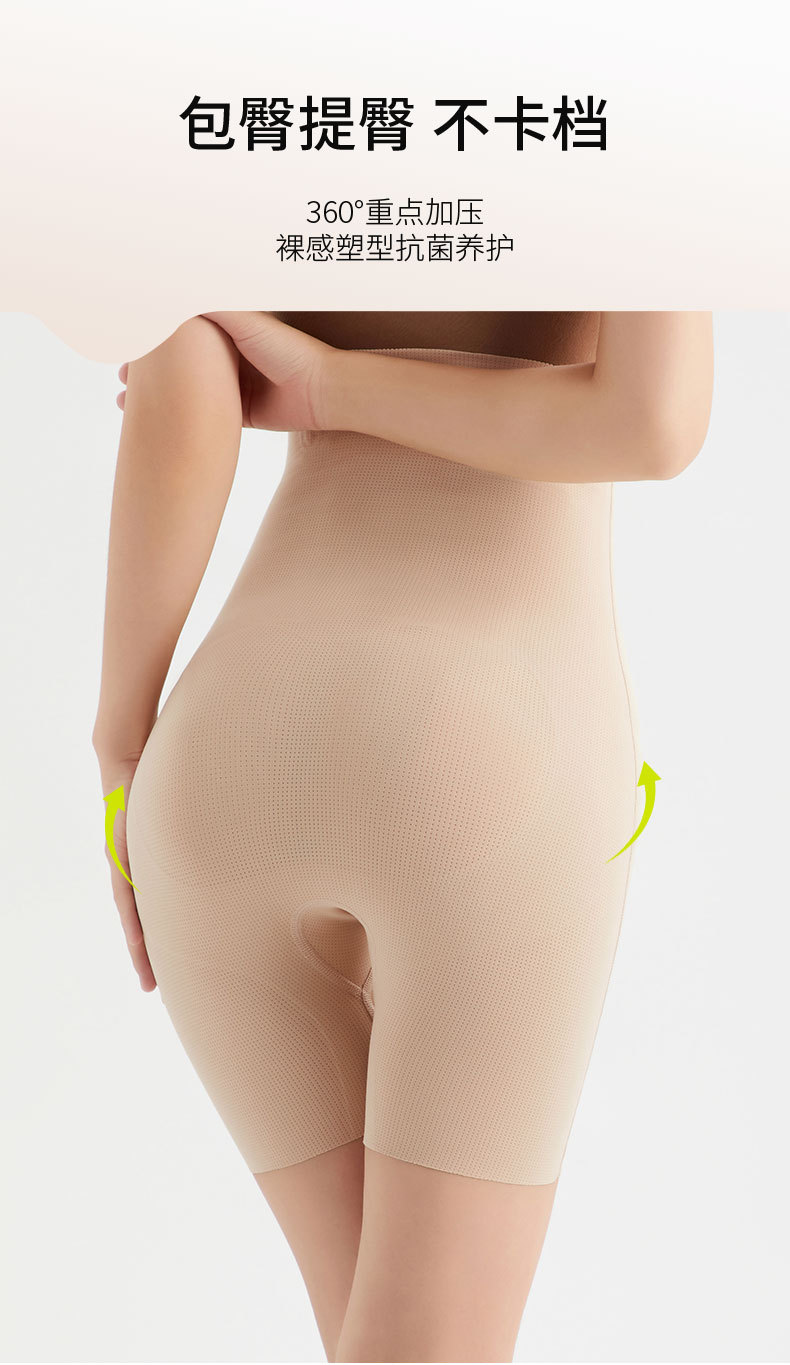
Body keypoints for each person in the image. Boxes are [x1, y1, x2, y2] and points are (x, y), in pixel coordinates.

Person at [92, 310, 713, 1363]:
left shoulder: (211, 184)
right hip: (488, 745)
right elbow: (651, 422)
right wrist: (331, 388)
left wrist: (122, 754)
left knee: (377, 1343)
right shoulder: (641, 187)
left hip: (223, 748)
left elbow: (178, 392)